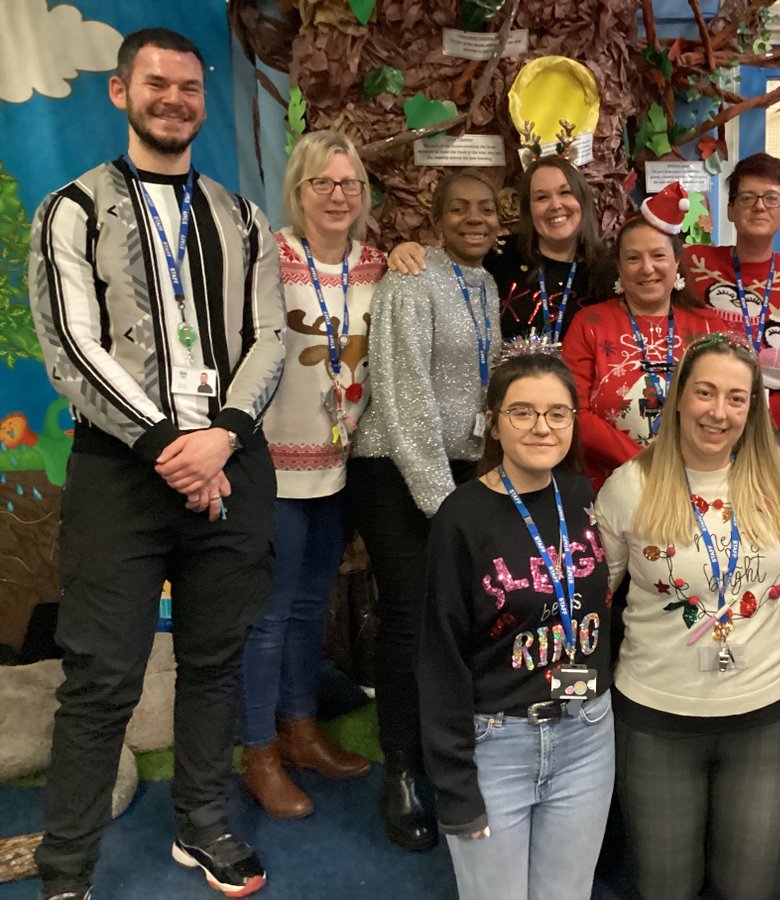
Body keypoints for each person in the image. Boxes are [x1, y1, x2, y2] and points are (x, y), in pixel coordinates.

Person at [27, 28, 285, 900]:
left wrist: (223, 436)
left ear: (202, 102)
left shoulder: (243, 218)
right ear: (119, 91)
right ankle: (67, 867)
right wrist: (169, 449)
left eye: (188, 87)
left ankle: (202, 824)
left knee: (215, 658)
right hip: (119, 472)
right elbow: (71, 345)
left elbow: (268, 339)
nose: (174, 99)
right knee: (101, 675)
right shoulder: (71, 209)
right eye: (157, 84)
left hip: (232, 462)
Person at [594, 333, 780, 900]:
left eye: (736, 398)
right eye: (705, 393)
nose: (719, 411)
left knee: (752, 887)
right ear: (680, 399)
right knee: (666, 886)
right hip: (658, 714)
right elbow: (596, 600)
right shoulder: (629, 486)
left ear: (753, 407)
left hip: (763, 713)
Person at [418, 344, 613, 900]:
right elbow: (439, 659)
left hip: (586, 734)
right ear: (493, 424)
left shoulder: (579, 495)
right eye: (521, 412)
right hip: (497, 743)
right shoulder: (461, 518)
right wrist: (455, 786)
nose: (542, 427)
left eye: (557, 413)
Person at [348, 170, 501, 850]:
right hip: (394, 466)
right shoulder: (410, 280)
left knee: (457, 617)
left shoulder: (488, 285)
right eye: (458, 210)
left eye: (486, 209)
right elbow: (404, 394)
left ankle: (449, 755)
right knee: (410, 616)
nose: (475, 219)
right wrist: (447, 505)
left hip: (458, 465)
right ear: (435, 221)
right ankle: (402, 770)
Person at [240, 130, 384, 818]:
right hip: (272, 465)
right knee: (266, 617)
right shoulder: (268, 256)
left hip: (341, 467)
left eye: (349, 183)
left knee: (308, 608)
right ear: (297, 191)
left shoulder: (379, 267)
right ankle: (257, 750)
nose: (336, 195)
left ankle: (300, 731)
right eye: (321, 184)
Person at [682, 152, 780, 462]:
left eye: (771, 198)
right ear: (731, 210)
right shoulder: (694, 263)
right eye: (747, 197)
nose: (760, 206)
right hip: (711, 420)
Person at [563, 196, 717, 488]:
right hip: (612, 486)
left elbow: (737, 404)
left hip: (699, 482)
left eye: (658, 256)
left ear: (676, 263)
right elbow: (573, 411)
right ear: (619, 268)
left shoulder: (710, 327)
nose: (647, 268)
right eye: (633, 258)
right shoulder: (589, 324)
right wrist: (644, 463)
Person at [388, 156, 617, 339]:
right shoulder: (497, 256)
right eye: (541, 197)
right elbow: (448, 263)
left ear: (583, 201)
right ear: (528, 209)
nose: (555, 205)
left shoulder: (610, 272)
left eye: (565, 193)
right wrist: (407, 251)